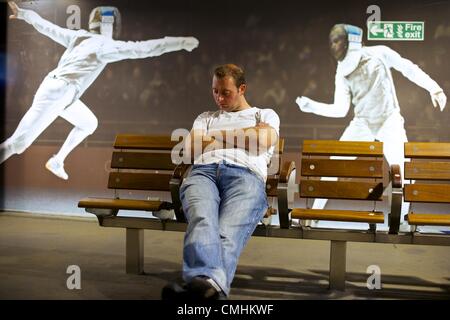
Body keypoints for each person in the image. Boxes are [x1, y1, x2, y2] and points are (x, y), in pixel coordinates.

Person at [1, 1, 199, 180]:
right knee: (17, 144)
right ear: (111, 25)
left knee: (89, 123)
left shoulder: (78, 36)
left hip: (62, 93)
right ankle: (47, 157)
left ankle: (57, 160)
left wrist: (24, 14)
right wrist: (181, 42)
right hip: (60, 92)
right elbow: (143, 49)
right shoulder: (105, 46)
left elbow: (48, 27)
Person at [296, 24, 447, 227]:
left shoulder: (380, 53)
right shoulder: (342, 71)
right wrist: (312, 107)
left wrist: (434, 88)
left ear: (355, 43)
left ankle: (403, 219)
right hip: (362, 122)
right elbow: (341, 110)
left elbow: (407, 68)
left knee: (404, 169)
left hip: (389, 120)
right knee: (333, 164)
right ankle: (312, 215)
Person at [162, 64, 280, 300]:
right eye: (215, 91)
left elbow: (263, 141)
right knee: (202, 220)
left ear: (242, 88)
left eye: (225, 92)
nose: (219, 98)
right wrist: (245, 137)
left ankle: (200, 285)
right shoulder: (205, 117)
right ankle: (210, 288)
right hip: (203, 173)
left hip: (246, 176)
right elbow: (191, 148)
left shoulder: (264, 115)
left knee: (228, 230)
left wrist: (214, 136)